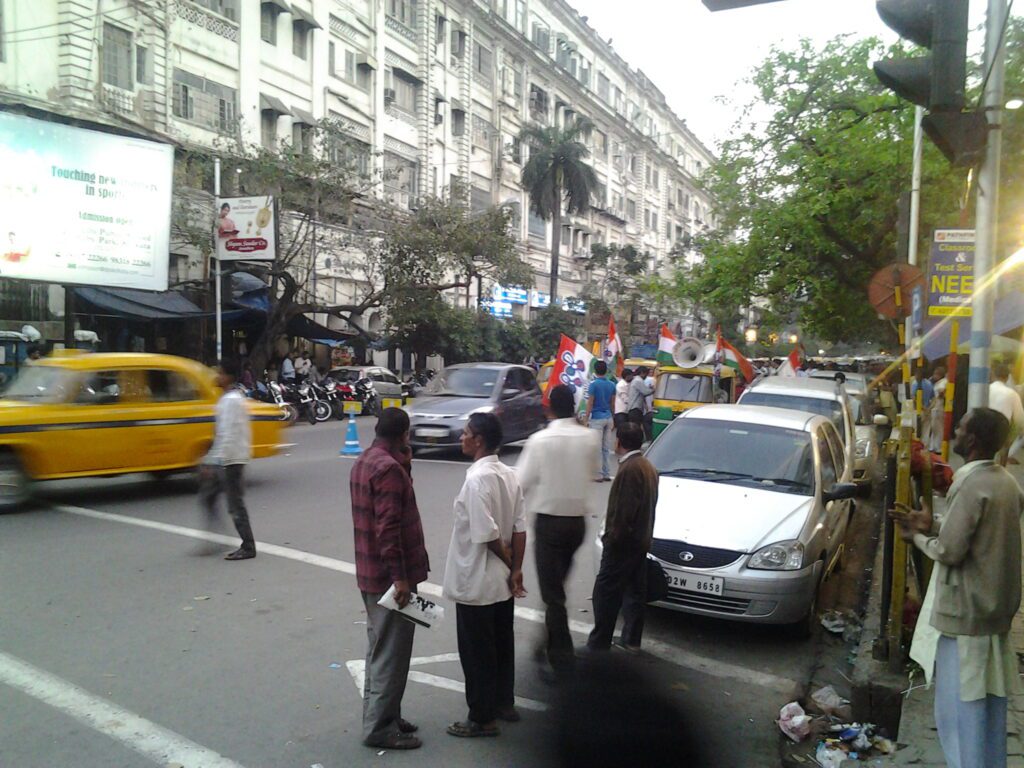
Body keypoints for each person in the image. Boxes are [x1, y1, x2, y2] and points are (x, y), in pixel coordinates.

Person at [893, 407, 1024, 768]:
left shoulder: (969, 483)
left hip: (965, 618)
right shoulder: (1007, 483)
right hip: (994, 616)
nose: (956, 430)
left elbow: (950, 550)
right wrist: (934, 522)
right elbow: (978, 533)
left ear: (972, 440)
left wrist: (916, 536)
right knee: (989, 712)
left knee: (959, 714)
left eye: (962, 427)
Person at [349, 408, 430, 750]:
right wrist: (401, 580)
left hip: (370, 574)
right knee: (390, 655)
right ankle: (379, 728)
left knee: (380, 650)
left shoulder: (366, 461)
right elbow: (389, 528)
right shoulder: (388, 470)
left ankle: (385, 714)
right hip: (390, 579)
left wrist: (406, 464)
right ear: (403, 435)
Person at [443, 412, 527, 738]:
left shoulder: (477, 480)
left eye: (465, 433)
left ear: (478, 440)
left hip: (479, 580)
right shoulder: (510, 474)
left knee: (477, 651)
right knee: (501, 644)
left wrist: (510, 565)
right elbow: (519, 527)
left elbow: (487, 533)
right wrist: (517, 569)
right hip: (502, 583)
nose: (461, 437)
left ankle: (482, 717)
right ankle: (504, 702)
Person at [518, 385, 598, 679]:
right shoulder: (590, 438)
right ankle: (545, 643)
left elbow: (521, 482)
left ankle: (562, 660)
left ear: (549, 407)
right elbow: (592, 472)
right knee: (555, 590)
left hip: (549, 522)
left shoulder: (541, 440)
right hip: (576, 523)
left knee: (553, 595)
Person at [587, 422, 658, 652]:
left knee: (605, 592)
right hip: (640, 541)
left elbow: (624, 512)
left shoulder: (630, 469)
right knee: (635, 593)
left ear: (619, 442)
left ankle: (600, 640)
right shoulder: (647, 466)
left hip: (624, 544)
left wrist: (612, 539)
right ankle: (631, 640)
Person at [199, 359, 256, 561]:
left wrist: (213, 461)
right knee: (210, 498)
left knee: (235, 504)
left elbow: (227, 434)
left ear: (229, 377)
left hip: (231, 458)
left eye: (220, 373)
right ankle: (218, 539)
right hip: (229, 456)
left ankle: (248, 546)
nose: (217, 376)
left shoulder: (232, 400)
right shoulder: (228, 399)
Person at [585, 361, 618, 482]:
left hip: (597, 418)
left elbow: (590, 403)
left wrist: (586, 418)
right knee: (606, 447)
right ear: (606, 371)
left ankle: (598, 474)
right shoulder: (612, 385)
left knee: (597, 447)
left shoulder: (593, 385)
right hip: (608, 417)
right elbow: (612, 404)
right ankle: (606, 473)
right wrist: (613, 418)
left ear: (595, 370)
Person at [989, 362, 1024, 452]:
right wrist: (1022, 431)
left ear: (993, 375)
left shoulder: (986, 389)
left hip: (984, 427)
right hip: (1002, 429)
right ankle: (1006, 458)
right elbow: (1020, 418)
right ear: (1008, 377)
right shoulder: (1012, 393)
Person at [626, 366, 654, 441]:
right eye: (646, 374)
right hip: (635, 409)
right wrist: (654, 389)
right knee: (635, 429)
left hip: (634, 409)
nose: (646, 376)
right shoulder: (638, 381)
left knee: (635, 428)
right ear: (642, 373)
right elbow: (646, 392)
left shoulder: (635, 380)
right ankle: (634, 443)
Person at [928, 365, 947, 453]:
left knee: (938, 428)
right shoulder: (938, 382)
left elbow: (942, 391)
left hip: (938, 406)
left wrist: (939, 396)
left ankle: (938, 447)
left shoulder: (943, 382)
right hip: (935, 406)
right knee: (934, 427)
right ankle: (933, 446)